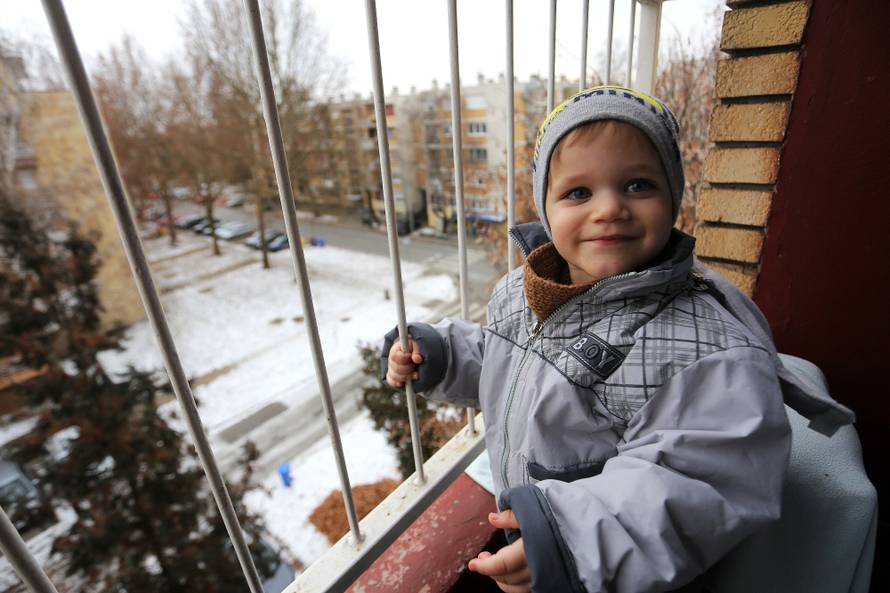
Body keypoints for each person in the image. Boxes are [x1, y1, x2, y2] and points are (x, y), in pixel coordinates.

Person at [381, 86, 853, 593]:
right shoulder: (523, 290)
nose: (608, 209)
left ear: (673, 197)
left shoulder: (706, 352)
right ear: (545, 208)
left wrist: (565, 539)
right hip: (540, 533)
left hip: (606, 564)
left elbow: (693, 483)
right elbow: (504, 355)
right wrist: (443, 354)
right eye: (578, 193)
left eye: (637, 185)